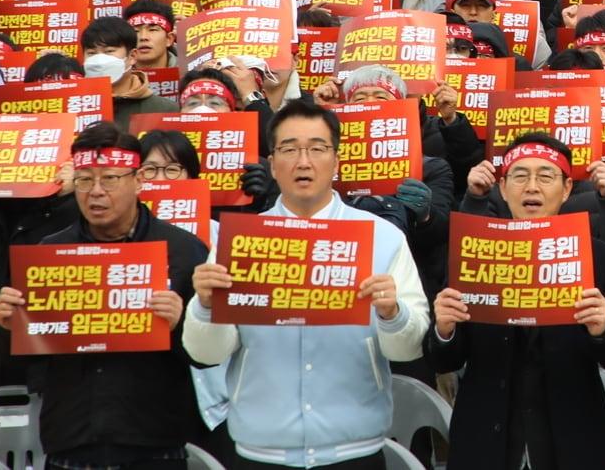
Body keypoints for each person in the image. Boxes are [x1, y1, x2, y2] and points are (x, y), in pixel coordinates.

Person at [183, 100, 429, 470]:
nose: (303, 161)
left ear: (336, 161)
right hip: (259, 449)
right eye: (289, 149)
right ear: (272, 164)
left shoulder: (382, 237)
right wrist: (204, 307)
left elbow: (407, 350)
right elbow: (207, 354)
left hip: (355, 449)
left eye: (317, 148)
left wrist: (393, 314)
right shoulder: (241, 241)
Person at [0, 122, 208, 470]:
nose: (95, 191)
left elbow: (206, 358)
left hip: (155, 445)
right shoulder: (49, 253)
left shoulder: (182, 251)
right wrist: (6, 327)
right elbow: (23, 363)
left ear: (138, 180)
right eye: (84, 179)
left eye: (109, 178)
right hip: (70, 443)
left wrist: (182, 322)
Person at [427, 134, 605, 470]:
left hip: (575, 439)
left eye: (545, 176)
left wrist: (602, 329)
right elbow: (442, 357)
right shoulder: (473, 252)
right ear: (503, 187)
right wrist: (444, 329)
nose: (532, 187)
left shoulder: (601, 259)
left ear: (567, 188)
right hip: (485, 441)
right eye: (520, 175)